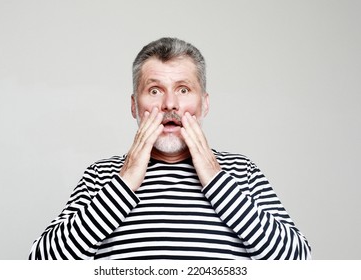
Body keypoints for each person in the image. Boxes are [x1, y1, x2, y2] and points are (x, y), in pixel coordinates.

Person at [29, 37, 311, 260]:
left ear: (205, 104)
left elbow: (297, 260)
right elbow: (43, 262)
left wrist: (217, 180)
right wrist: (124, 182)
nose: (170, 105)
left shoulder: (243, 171)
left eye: (184, 89)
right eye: (154, 90)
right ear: (134, 106)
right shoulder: (100, 174)